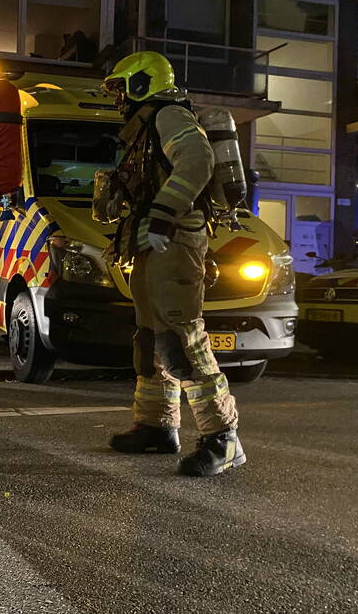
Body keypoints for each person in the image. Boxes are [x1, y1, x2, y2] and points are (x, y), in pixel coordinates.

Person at [100, 51, 244, 477]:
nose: (119, 98)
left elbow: (198, 162)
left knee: (182, 339)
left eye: (121, 87)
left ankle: (224, 438)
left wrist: (163, 214)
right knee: (151, 337)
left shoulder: (168, 116)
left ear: (143, 83)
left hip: (175, 239)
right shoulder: (148, 124)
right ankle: (156, 427)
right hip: (154, 241)